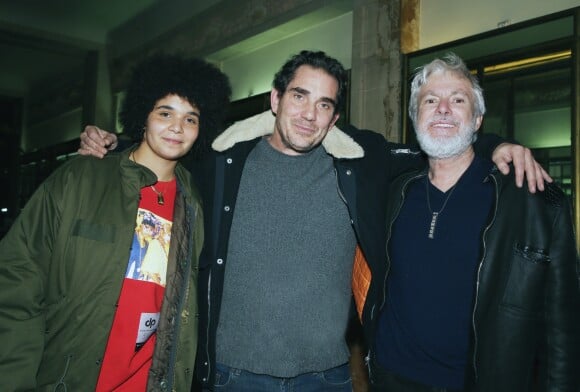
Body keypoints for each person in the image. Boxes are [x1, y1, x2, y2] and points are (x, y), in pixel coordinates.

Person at [78, 50, 551, 391]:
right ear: (275, 98)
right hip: (233, 376)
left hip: (328, 378)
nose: (309, 114)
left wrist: (497, 145)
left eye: (324, 104)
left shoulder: (361, 161)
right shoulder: (224, 160)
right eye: (300, 96)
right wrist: (112, 143)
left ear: (335, 116)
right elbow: (168, 145)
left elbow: (442, 143)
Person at [0, 53, 231, 391]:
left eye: (191, 119)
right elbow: (17, 283)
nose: (177, 127)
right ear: (143, 116)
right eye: (165, 113)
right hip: (69, 379)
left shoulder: (194, 200)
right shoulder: (81, 177)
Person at [353, 52, 580, 391]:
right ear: (416, 119)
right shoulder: (394, 191)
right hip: (390, 379)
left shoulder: (533, 201)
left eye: (457, 99)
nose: (443, 108)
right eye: (431, 100)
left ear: (477, 120)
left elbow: (564, 325)